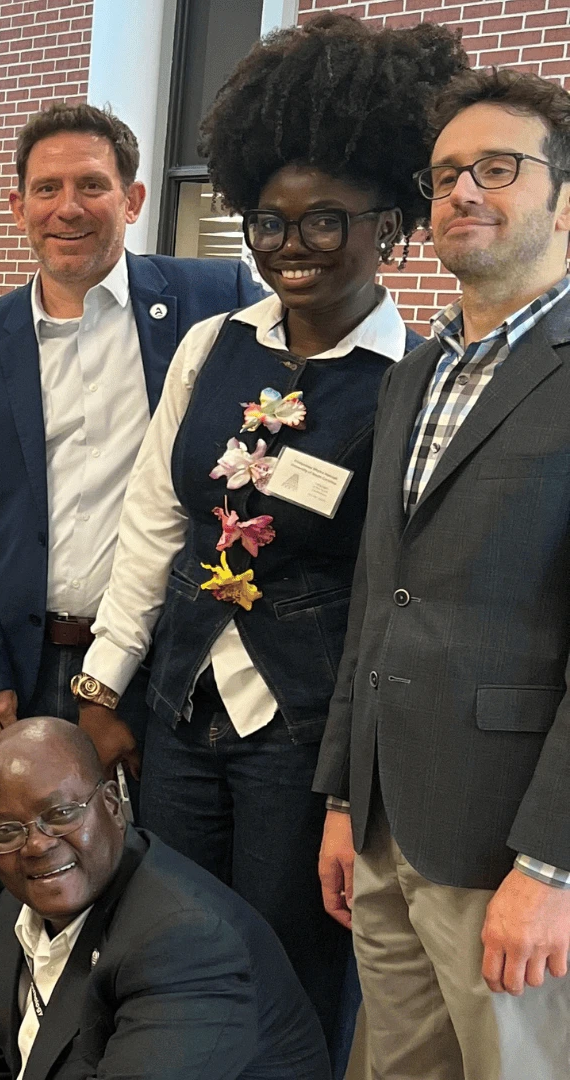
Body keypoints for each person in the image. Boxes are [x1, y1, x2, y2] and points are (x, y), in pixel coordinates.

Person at [74, 19, 462, 1066]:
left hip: (304, 731)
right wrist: (105, 690)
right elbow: (157, 518)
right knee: (174, 943)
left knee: (294, 962)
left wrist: (350, 779)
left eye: (323, 223)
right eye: (268, 224)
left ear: (391, 225)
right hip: (182, 711)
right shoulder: (212, 345)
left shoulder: (412, 381)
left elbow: (396, 593)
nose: (290, 247)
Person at [0, 102, 263, 924]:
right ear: (18, 206)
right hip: (20, 668)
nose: (67, 207)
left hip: (168, 661)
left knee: (160, 887)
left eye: (91, 185)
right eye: (46, 188)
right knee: (24, 888)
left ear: (134, 198)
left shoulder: (214, 301)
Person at [316, 67, 570, 1078]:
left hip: (506, 845)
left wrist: (552, 864)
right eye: (446, 174)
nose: (464, 191)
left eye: (498, 168)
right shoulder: (419, 371)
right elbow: (383, 597)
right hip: (386, 828)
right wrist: (343, 800)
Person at [0, 718, 328, 1080]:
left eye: (60, 813)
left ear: (112, 804)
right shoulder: (16, 906)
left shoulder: (187, 943)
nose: (37, 845)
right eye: (8, 830)